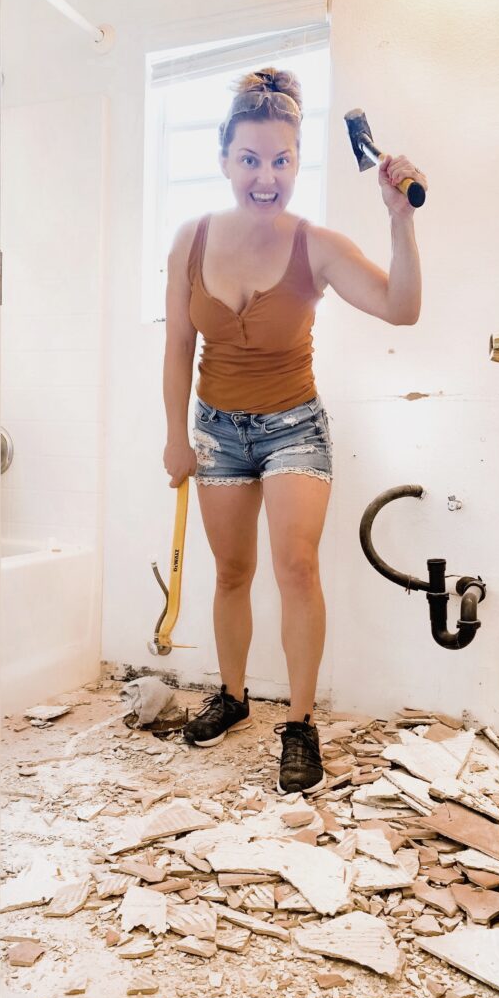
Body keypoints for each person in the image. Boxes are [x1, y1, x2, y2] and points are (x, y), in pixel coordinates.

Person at [162, 67, 425, 795]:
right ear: (224, 159)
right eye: (250, 159)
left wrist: (400, 221)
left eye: (281, 160)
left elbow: (402, 309)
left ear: (297, 161)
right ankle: (235, 697)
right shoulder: (189, 241)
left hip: (292, 428)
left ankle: (301, 724)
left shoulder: (317, 243)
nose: (266, 177)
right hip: (215, 428)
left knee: (296, 567)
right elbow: (178, 346)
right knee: (232, 573)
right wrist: (174, 435)